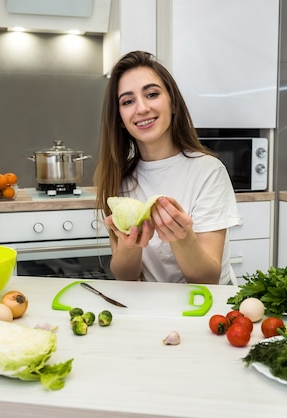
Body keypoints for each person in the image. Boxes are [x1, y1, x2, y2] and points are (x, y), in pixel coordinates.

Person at [94, 51, 241, 285]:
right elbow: (125, 276)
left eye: (152, 94)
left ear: (172, 103)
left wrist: (183, 240)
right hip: (151, 306)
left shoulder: (208, 171)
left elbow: (208, 279)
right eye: (128, 101)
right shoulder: (118, 179)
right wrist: (131, 245)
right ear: (120, 119)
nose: (141, 108)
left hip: (208, 307)